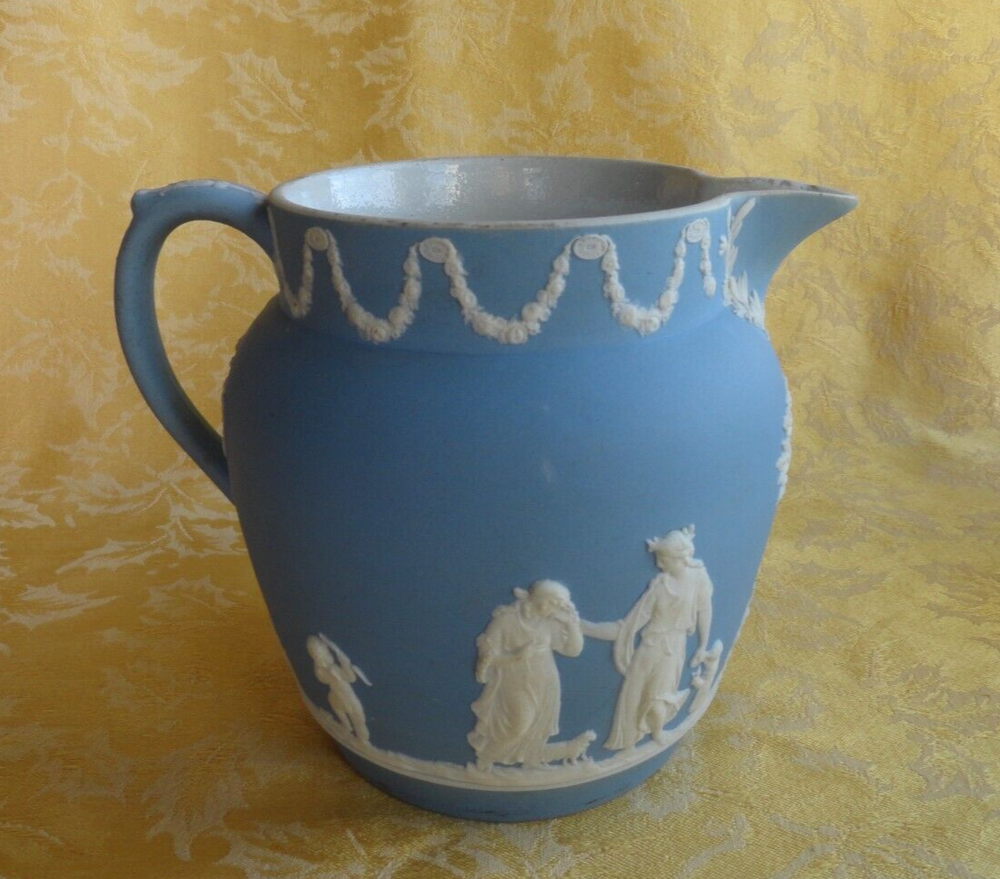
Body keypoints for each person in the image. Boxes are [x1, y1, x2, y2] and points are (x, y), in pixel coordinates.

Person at [583, 525, 713, 750]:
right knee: (636, 694)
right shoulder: (660, 587)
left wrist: (702, 644)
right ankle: (628, 742)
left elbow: (705, 609)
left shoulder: (698, 577)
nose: (659, 565)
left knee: (659, 697)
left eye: (663, 559)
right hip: (649, 649)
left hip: (673, 648)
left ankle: (656, 731)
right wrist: (584, 627)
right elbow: (627, 627)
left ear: (680, 557)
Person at [468, 580, 584, 770]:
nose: (557, 609)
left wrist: (571, 625)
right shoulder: (506, 620)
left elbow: (573, 651)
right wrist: (517, 655)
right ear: (541, 601)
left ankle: (532, 760)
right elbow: (487, 659)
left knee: (539, 727)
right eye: (555, 604)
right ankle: (486, 757)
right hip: (514, 682)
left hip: (546, 682)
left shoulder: (550, 622)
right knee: (519, 724)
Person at [307, 634, 370, 744]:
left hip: (346, 695)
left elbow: (350, 678)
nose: (319, 656)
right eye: (316, 654)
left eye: (321, 652)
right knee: (350, 717)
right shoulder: (322, 669)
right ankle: (350, 731)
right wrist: (338, 666)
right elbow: (323, 678)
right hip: (338, 695)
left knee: (359, 718)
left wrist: (344, 661)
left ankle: (362, 740)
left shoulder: (332, 668)